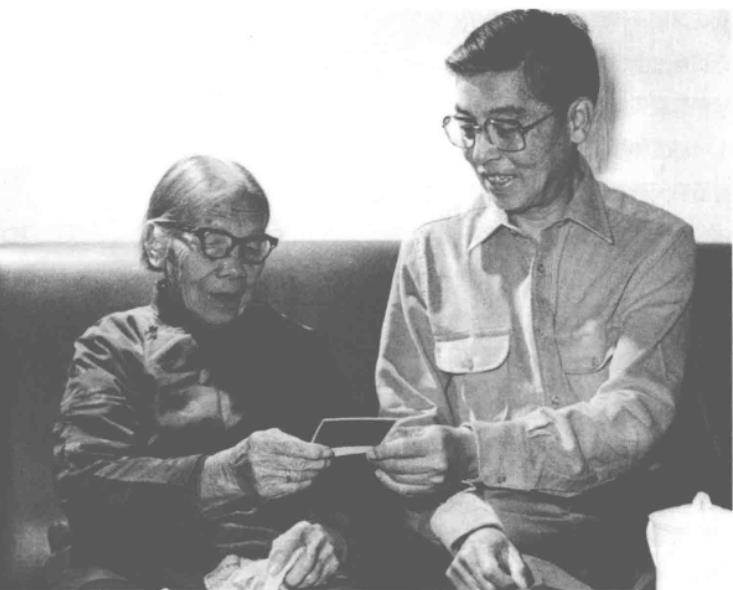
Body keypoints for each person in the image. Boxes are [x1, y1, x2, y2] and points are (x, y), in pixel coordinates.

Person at [367, 9, 695, 590]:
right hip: (470, 535)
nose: (482, 153)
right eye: (467, 127)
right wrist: (471, 530)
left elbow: (632, 417)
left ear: (577, 120)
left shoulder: (656, 246)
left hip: (612, 536)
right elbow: (405, 435)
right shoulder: (429, 254)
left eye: (507, 127)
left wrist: (473, 450)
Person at [52, 155, 355, 590]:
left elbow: (353, 482)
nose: (234, 267)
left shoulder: (301, 350)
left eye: (252, 248)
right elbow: (85, 486)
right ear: (157, 244)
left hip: (273, 571)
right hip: (137, 567)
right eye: (213, 241)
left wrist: (331, 537)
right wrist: (225, 474)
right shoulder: (114, 345)